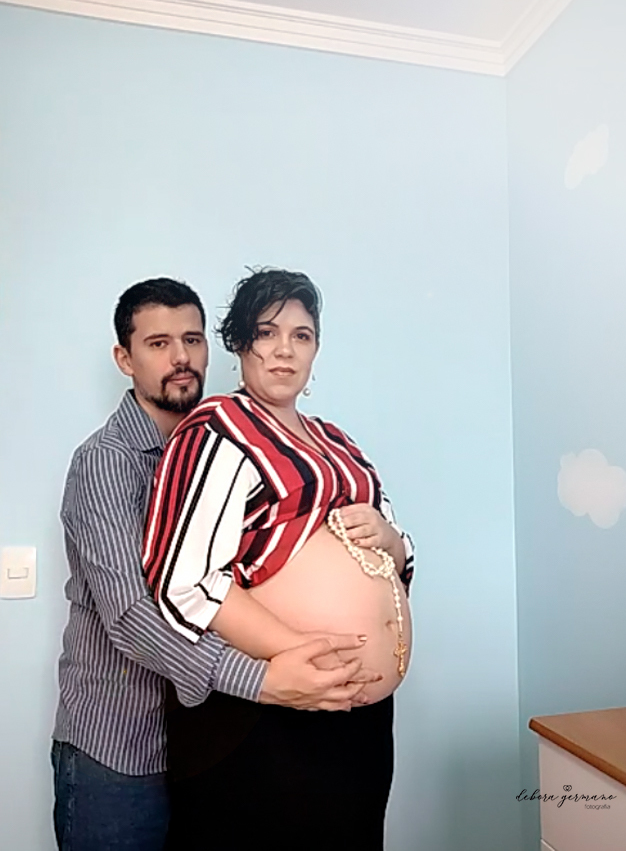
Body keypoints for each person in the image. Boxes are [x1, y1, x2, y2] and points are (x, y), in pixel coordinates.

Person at [52, 277, 380, 851]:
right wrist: (265, 679)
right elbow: (131, 613)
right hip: (122, 745)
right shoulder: (106, 463)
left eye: (192, 340)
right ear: (124, 359)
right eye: (158, 344)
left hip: (210, 734)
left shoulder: (226, 445)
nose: (180, 358)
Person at [143, 268, 414, 851]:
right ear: (240, 343)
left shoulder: (337, 441)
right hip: (272, 715)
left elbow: (395, 549)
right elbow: (180, 579)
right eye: (267, 333)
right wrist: (298, 657)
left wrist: (392, 541)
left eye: (302, 335)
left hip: (359, 721)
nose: (285, 349)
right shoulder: (217, 430)